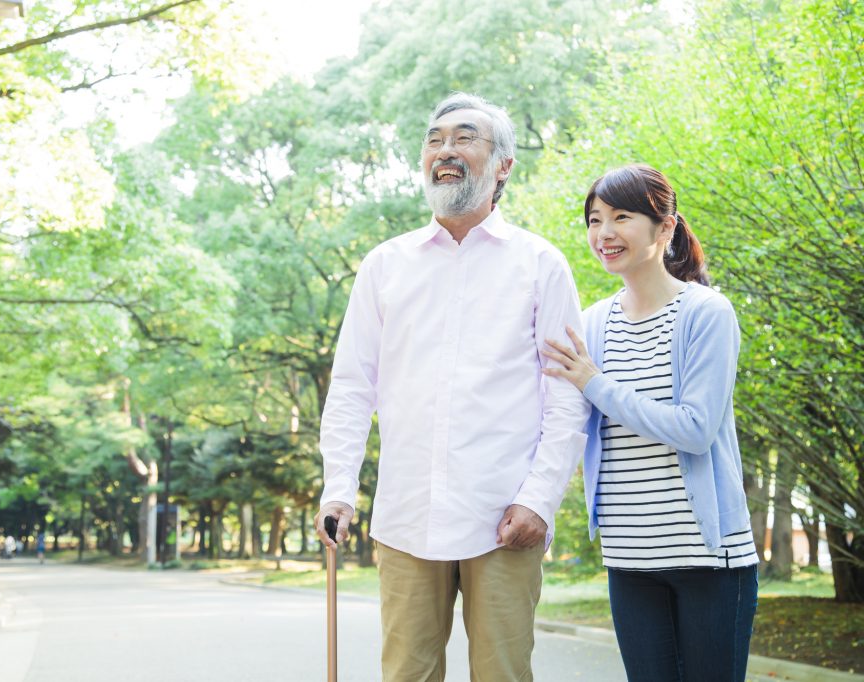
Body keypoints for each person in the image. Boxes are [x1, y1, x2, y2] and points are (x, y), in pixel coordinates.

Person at [315, 92, 590, 681]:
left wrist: (540, 498)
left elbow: (566, 398)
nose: (445, 150)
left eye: (465, 137)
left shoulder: (541, 265)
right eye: (435, 140)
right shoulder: (385, 265)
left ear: (503, 165)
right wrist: (339, 486)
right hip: (407, 516)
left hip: (504, 519)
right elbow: (351, 386)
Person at [541, 164, 758, 682]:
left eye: (621, 217)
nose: (604, 234)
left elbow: (695, 428)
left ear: (665, 227)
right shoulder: (591, 323)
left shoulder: (706, 313)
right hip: (628, 557)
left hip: (710, 558)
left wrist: (597, 384)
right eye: (594, 220)